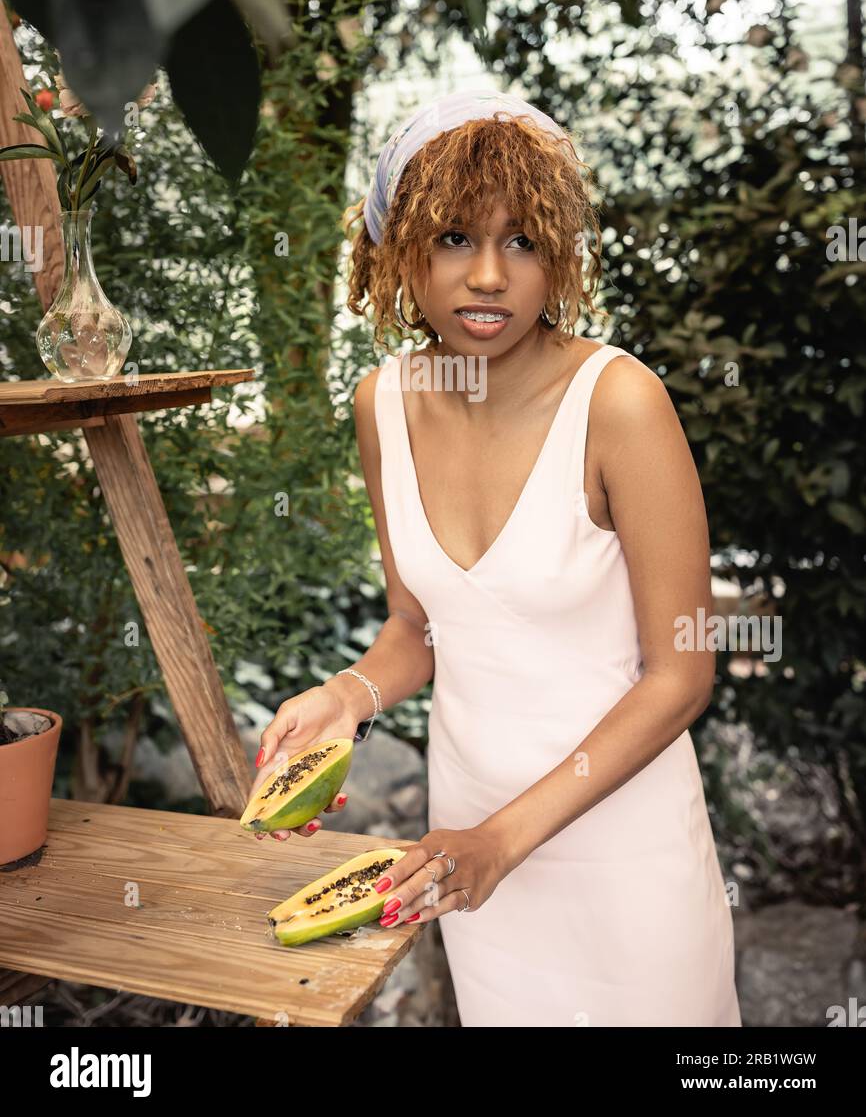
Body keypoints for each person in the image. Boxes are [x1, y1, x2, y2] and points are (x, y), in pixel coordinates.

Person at [251, 88, 742, 1028]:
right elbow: (419, 627)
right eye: (452, 239)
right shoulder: (382, 404)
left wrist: (498, 842)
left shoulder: (619, 402)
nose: (487, 275)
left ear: (557, 254)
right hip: (466, 852)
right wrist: (346, 698)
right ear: (400, 251)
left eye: (521, 241)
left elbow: (681, 675)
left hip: (620, 855)